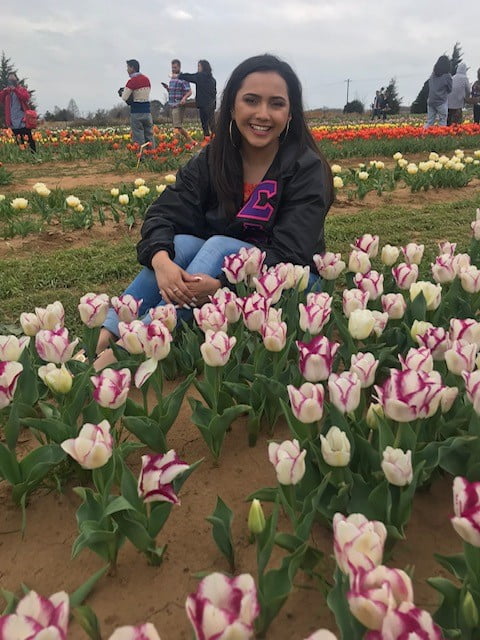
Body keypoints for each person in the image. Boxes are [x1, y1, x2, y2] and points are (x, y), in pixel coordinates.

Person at [97, 53, 334, 353]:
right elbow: (163, 213)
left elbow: (292, 253)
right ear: (233, 107)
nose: (262, 113)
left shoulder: (306, 167)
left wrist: (224, 285)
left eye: (276, 103)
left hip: (291, 281)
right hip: (212, 269)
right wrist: (162, 262)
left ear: (290, 114)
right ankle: (112, 327)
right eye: (251, 100)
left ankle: (134, 347)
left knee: (220, 245)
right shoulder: (213, 160)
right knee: (180, 244)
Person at [119, 59, 154, 148]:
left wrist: (122, 92)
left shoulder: (132, 81)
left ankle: (141, 157)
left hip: (136, 112)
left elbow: (124, 97)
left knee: (138, 137)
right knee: (149, 135)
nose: (127, 70)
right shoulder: (147, 79)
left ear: (132, 68)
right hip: (147, 112)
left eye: (128, 67)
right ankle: (152, 155)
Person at [178, 60, 217, 138]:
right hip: (211, 104)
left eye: (199, 66)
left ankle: (207, 139)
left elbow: (190, 77)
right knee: (212, 123)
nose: (198, 68)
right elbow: (214, 92)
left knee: (205, 124)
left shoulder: (200, 76)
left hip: (203, 104)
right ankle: (216, 139)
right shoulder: (212, 79)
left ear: (203, 67)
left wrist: (180, 75)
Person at [0, 72, 36, 152]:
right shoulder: (7, 92)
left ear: (16, 80)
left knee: (28, 138)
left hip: (23, 119)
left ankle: (33, 154)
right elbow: (1, 99)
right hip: (12, 120)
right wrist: (5, 91)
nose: (11, 81)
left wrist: (15, 90)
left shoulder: (21, 89)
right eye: (9, 79)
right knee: (19, 140)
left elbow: (26, 97)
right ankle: (23, 155)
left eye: (13, 79)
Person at [161, 59, 194, 143]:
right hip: (172, 104)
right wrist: (167, 88)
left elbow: (189, 91)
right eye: (172, 67)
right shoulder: (172, 79)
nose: (173, 69)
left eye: (175, 67)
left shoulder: (183, 78)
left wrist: (184, 98)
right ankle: (190, 141)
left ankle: (176, 144)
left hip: (179, 104)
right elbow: (172, 92)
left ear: (179, 67)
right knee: (177, 126)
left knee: (177, 126)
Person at [425, 55, 452, 128]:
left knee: (430, 121)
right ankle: (441, 136)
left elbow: (430, 85)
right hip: (441, 101)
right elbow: (450, 89)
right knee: (442, 120)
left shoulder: (433, 74)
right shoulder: (447, 76)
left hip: (431, 100)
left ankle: (423, 134)